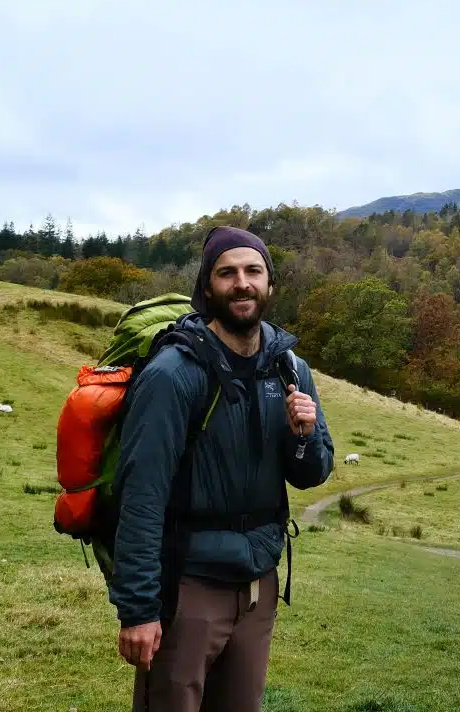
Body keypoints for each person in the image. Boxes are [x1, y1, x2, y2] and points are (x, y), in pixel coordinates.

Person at [109, 226, 334, 711]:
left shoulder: (289, 368)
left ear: (270, 284)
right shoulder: (174, 373)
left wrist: (305, 434)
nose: (242, 282)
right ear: (207, 287)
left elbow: (312, 473)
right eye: (226, 272)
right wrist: (139, 609)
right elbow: (142, 495)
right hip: (188, 589)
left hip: (258, 588)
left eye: (253, 271)